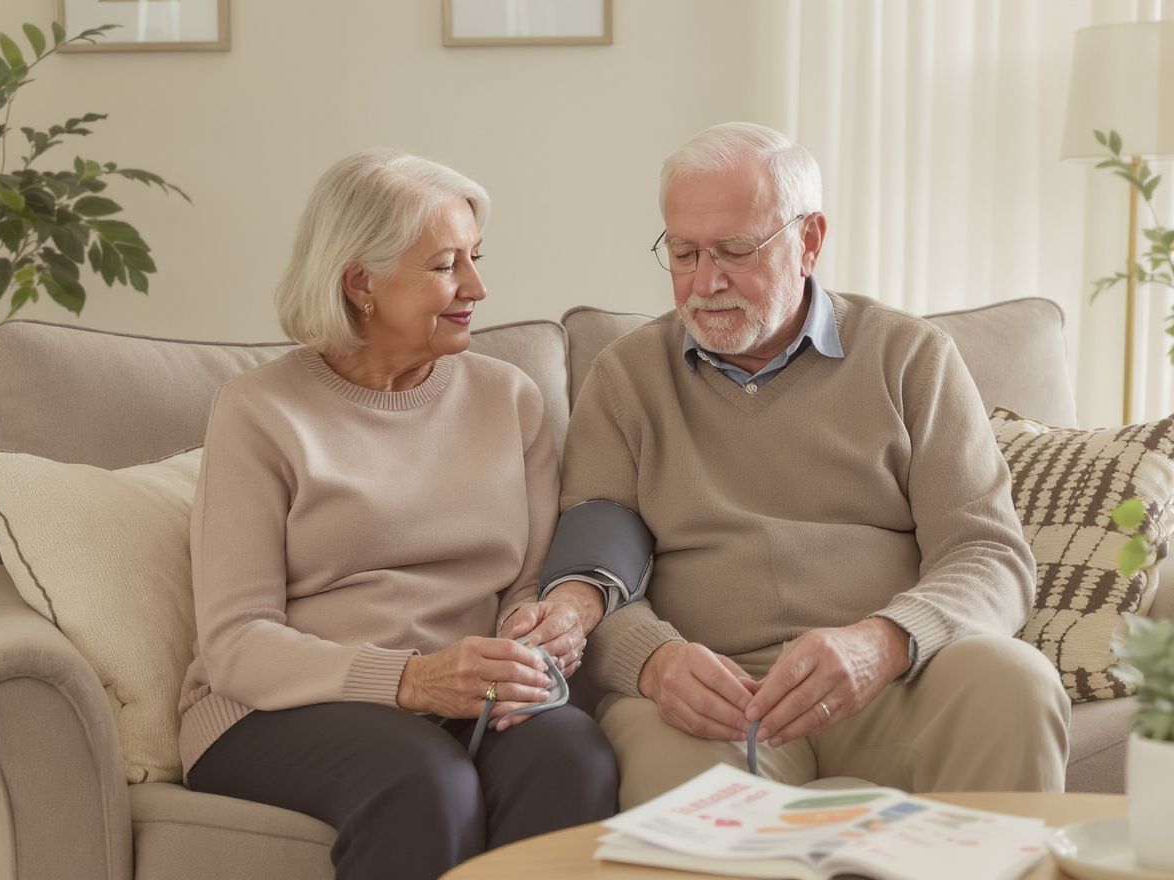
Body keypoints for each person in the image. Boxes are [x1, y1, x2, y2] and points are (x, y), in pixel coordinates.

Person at [547, 122, 1070, 808]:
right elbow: (587, 579)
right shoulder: (625, 380)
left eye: (736, 250)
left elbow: (989, 553)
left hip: (899, 677)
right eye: (683, 252)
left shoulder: (910, 357)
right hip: (716, 698)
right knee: (679, 786)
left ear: (810, 241)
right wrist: (652, 660)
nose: (706, 281)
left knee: (1016, 684)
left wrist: (887, 641)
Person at [178, 149, 617, 879]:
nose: (477, 286)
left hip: (467, 696)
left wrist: (531, 636)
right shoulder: (259, 412)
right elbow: (236, 642)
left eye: (475, 257)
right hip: (279, 706)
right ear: (361, 282)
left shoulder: (510, 399)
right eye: (445, 265)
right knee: (426, 784)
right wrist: (410, 680)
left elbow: (525, 583)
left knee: (573, 756)